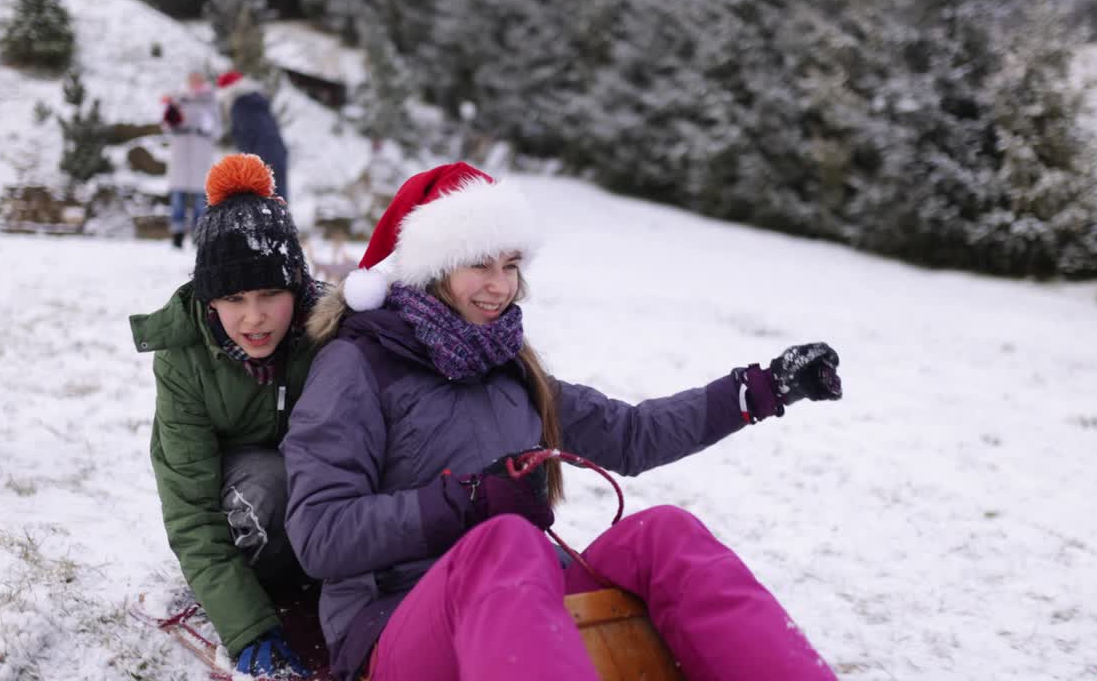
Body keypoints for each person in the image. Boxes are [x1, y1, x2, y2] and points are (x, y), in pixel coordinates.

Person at [282, 162, 845, 681]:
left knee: (666, 535)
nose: (499, 286)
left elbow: (629, 434)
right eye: (479, 263)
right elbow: (320, 534)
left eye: (509, 266)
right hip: (396, 625)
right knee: (502, 542)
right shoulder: (354, 366)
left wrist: (759, 390)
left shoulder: (506, 366)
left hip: (518, 606)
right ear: (429, 270)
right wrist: (468, 502)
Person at [130, 154, 322, 678]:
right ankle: (255, 592)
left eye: (270, 294)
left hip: (326, 507)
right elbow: (190, 507)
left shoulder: (330, 334)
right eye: (234, 298)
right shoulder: (184, 359)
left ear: (299, 289)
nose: (254, 317)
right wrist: (248, 626)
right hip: (241, 505)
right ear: (209, 301)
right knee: (269, 482)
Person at [162, 71, 220, 249]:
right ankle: (177, 233)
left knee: (200, 197)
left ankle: (199, 234)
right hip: (180, 151)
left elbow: (218, 128)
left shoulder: (211, 101)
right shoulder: (178, 99)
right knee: (178, 196)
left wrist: (206, 128)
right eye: (192, 80)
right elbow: (166, 126)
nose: (195, 83)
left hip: (200, 151)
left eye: (198, 80)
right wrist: (172, 116)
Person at [216, 70, 289, 204]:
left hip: (261, 154)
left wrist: (246, 164)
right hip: (277, 150)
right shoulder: (256, 99)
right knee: (279, 198)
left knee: (264, 201)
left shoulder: (240, 104)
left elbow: (245, 135)